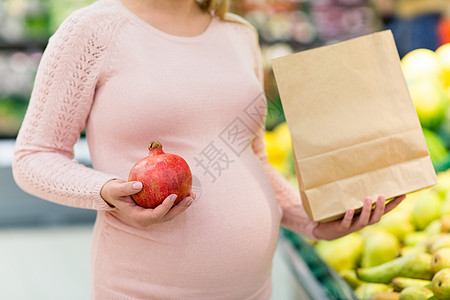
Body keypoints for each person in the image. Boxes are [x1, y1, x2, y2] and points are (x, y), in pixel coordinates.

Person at [12, 0, 406, 299]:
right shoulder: (94, 30)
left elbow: (251, 156)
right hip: (146, 289)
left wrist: (310, 220)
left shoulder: (238, 33)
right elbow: (33, 156)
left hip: (254, 287)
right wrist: (106, 192)